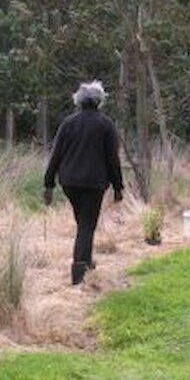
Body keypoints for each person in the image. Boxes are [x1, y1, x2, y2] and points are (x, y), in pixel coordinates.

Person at [43, 81, 124, 285]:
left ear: (78, 100)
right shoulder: (105, 124)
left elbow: (56, 154)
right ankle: (79, 273)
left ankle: (86, 261)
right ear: (100, 101)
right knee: (87, 226)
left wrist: (49, 184)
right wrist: (118, 187)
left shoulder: (68, 123)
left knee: (83, 224)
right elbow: (112, 159)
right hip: (94, 183)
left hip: (69, 182)